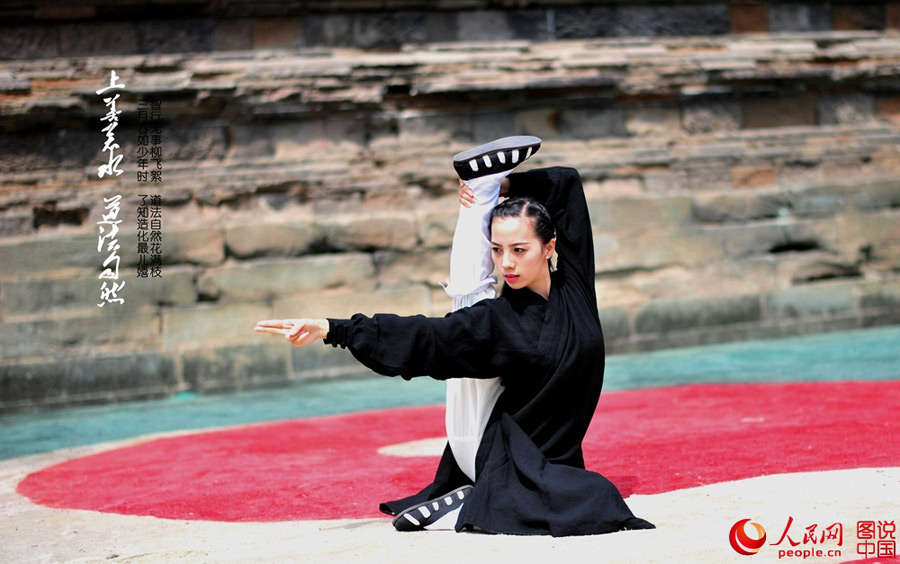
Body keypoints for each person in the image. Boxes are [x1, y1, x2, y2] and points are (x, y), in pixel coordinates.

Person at [255, 138, 654, 537]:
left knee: (583, 492)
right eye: (496, 250)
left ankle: (469, 497)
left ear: (550, 246)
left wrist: (507, 186)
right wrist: (333, 328)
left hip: (541, 455)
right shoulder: (502, 317)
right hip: (489, 447)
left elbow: (566, 182)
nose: (507, 263)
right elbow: (428, 335)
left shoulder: (576, 286)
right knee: (597, 495)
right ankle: (467, 503)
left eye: (519, 249)